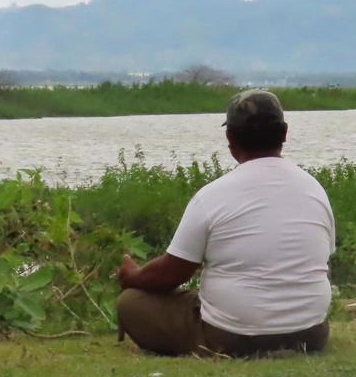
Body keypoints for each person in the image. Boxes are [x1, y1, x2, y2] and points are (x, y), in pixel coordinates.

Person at [115, 89, 336, 357]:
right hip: (310, 334)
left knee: (130, 302)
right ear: (285, 133)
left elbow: (171, 274)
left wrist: (133, 276)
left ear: (230, 138)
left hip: (232, 337)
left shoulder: (213, 195)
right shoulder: (314, 190)